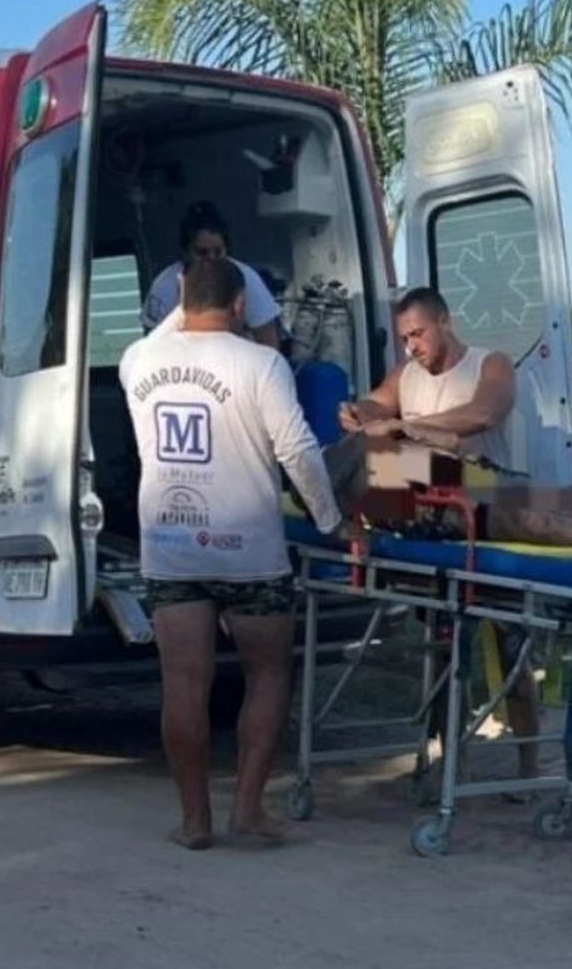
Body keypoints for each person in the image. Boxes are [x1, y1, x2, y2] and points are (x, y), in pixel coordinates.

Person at [120, 258, 342, 850]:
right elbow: (297, 449)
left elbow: (169, 327)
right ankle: (247, 807)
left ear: (181, 296)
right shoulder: (263, 363)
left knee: (183, 684)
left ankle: (194, 821)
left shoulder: (138, 361)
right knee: (268, 673)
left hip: (171, 550)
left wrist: (190, 285)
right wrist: (331, 519)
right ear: (243, 306)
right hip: (251, 552)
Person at [336, 287, 536, 786]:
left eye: (419, 334)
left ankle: (530, 765)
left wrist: (409, 427)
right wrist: (360, 412)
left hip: (491, 507)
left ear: (445, 321)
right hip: (437, 520)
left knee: (514, 653)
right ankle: (451, 761)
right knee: (445, 651)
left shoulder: (492, 364)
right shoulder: (408, 374)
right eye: (404, 338)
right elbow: (378, 403)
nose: (412, 347)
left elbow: (482, 415)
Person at [141, 201, 283, 349]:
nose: (211, 259)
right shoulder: (164, 287)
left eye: (218, 252)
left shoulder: (247, 279)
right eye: (202, 253)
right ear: (184, 253)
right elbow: (152, 347)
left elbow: (269, 344)